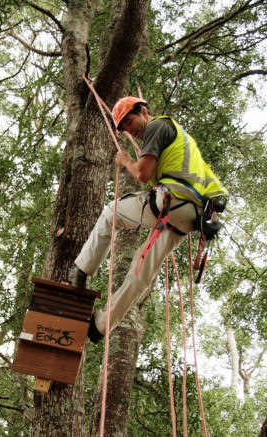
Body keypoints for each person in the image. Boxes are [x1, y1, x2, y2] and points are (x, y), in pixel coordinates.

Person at [68, 96, 228, 343]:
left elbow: (142, 173)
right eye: (124, 129)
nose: (130, 130)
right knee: (141, 273)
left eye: (130, 122)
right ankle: (101, 326)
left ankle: (81, 269)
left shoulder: (157, 126)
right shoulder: (187, 144)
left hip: (171, 201)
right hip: (190, 218)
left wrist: (126, 161)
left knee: (112, 213)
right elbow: (215, 190)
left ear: (143, 111)